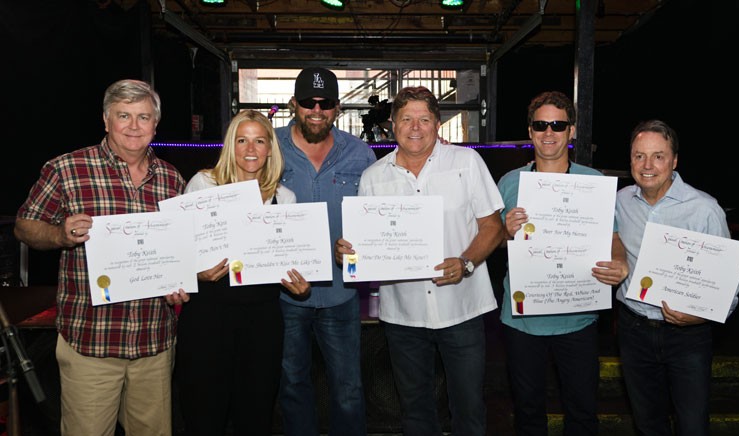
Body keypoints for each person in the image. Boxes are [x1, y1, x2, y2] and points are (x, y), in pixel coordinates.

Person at [14, 79, 189, 436]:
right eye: (124, 115)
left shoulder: (171, 179)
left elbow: (178, 250)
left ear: (156, 125)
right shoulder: (67, 169)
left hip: (153, 342)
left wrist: (178, 284)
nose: (134, 126)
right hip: (92, 341)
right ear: (106, 120)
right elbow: (24, 227)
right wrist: (59, 234)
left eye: (143, 117)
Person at [336, 85, 505, 435]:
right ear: (393, 126)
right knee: (414, 410)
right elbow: (366, 245)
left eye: (424, 119)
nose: (415, 127)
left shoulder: (466, 162)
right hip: (403, 315)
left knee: (469, 408)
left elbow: (493, 226)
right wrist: (350, 253)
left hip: (463, 308)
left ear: (438, 124)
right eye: (406, 119)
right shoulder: (373, 177)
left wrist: (467, 262)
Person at [496, 90, 629, 436]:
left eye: (558, 124)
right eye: (541, 125)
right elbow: (491, 239)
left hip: (579, 319)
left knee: (583, 413)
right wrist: (504, 230)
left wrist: (619, 262)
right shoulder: (510, 183)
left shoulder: (594, 182)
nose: (549, 132)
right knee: (527, 413)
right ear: (530, 131)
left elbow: (612, 236)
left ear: (572, 131)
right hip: (522, 322)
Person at [174, 109, 310, 436]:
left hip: (261, 321)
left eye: (259, 140)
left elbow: (293, 263)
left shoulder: (285, 198)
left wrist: (301, 286)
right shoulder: (204, 183)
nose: (250, 148)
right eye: (242, 140)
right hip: (208, 317)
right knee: (204, 413)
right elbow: (178, 252)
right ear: (230, 146)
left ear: (270, 149)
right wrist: (195, 273)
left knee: (256, 411)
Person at [615, 119, 739, 436]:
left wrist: (700, 315)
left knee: (692, 425)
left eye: (658, 156)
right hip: (634, 328)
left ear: (674, 161)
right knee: (647, 424)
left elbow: (730, 283)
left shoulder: (705, 209)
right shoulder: (619, 203)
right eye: (638, 156)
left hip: (687, 336)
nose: (647, 165)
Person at [275, 67, 375, 436]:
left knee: (348, 389)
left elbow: (374, 218)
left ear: (337, 107)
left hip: (340, 295)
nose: (316, 110)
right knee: (292, 386)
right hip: (283, 295)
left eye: (326, 103)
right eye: (307, 102)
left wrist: (360, 244)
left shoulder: (360, 154)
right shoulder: (268, 147)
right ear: (293, 105)